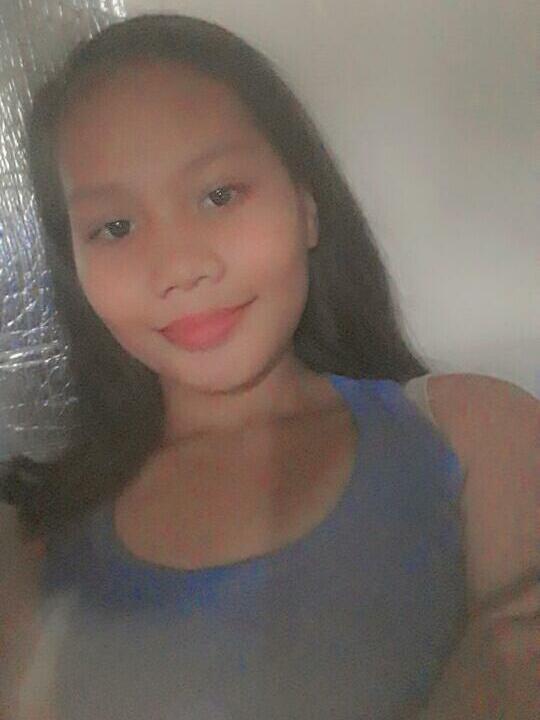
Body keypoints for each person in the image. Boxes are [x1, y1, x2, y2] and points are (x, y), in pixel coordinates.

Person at [0, 13, 537, 720]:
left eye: (219, 195)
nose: (180, 266)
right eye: (115, 227)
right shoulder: (29, 547)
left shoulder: (473, 435)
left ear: (306, 208)